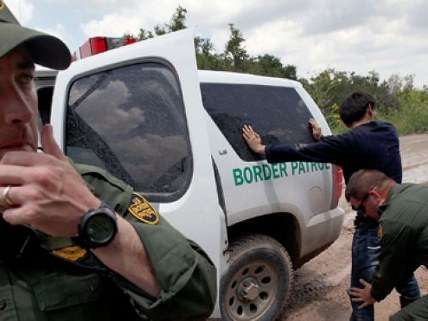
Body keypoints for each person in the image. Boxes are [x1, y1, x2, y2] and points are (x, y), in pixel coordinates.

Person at [0, 3, 216, 321]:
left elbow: (198, 292)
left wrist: (91, 220)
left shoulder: (85, 187)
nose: (22, 111)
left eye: (24, 79)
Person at [242, 91, 420, 320]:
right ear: (370, 109)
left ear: (346, 118)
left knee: (361, 292)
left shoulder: (347, 143)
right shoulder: (388, 131)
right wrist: (324, 139)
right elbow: (353, 147)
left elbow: (304, 153)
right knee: (404, 277)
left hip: (372, 226)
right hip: (400, 219)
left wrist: (263, 150)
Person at [347, 169, 428, 321]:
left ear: (374, 196)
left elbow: (389, 268)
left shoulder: (392, 221)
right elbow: (403, 263)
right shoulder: (413, 189)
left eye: (361, 209)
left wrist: (373, 294)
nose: (363, 215)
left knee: (401, 319)